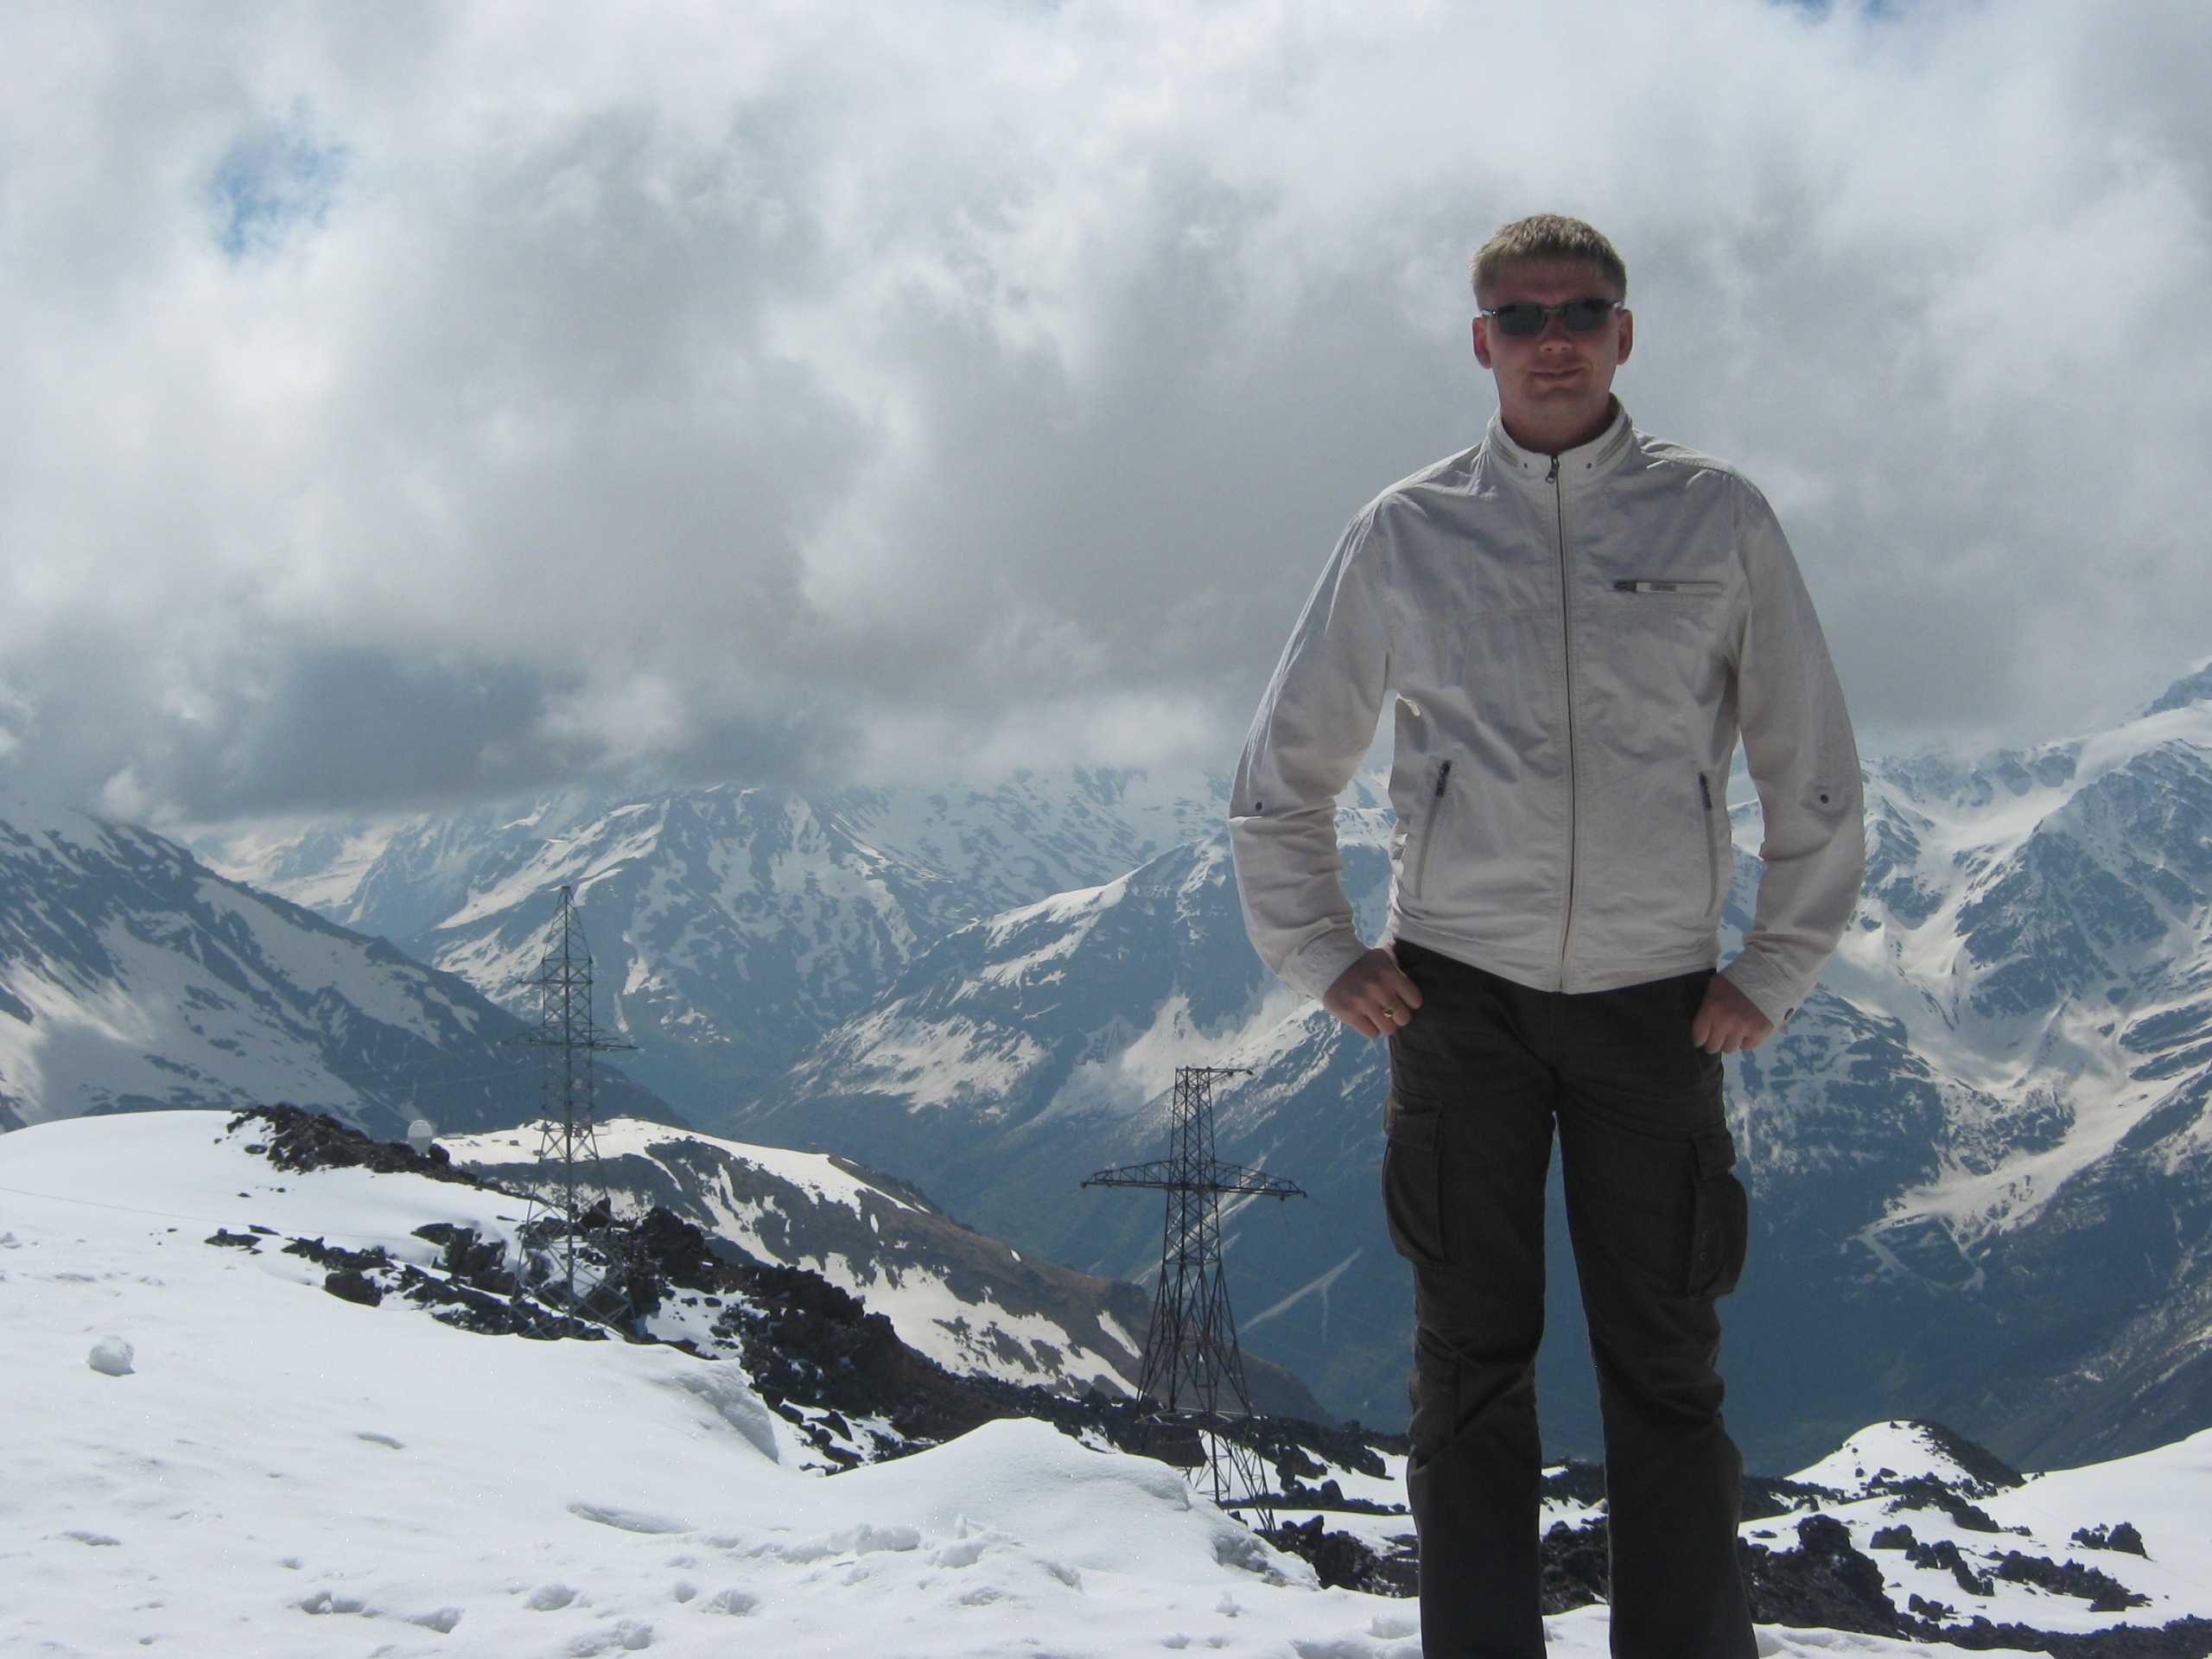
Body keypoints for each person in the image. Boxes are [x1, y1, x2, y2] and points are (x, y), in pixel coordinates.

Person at [1227, 215, 1864, 1658]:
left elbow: (1811, 762)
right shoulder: (1406, 530)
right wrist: (1323, 952)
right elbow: (1281, 773)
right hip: (1460, 1003)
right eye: (1523, 317)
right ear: (1483, 343)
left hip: (1658, 1003)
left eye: (1582, 312)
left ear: (1626, 334)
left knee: (1667, 1370)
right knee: (1467, 1371)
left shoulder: (1718, 519)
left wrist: (1775, 966)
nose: (1554, 339)